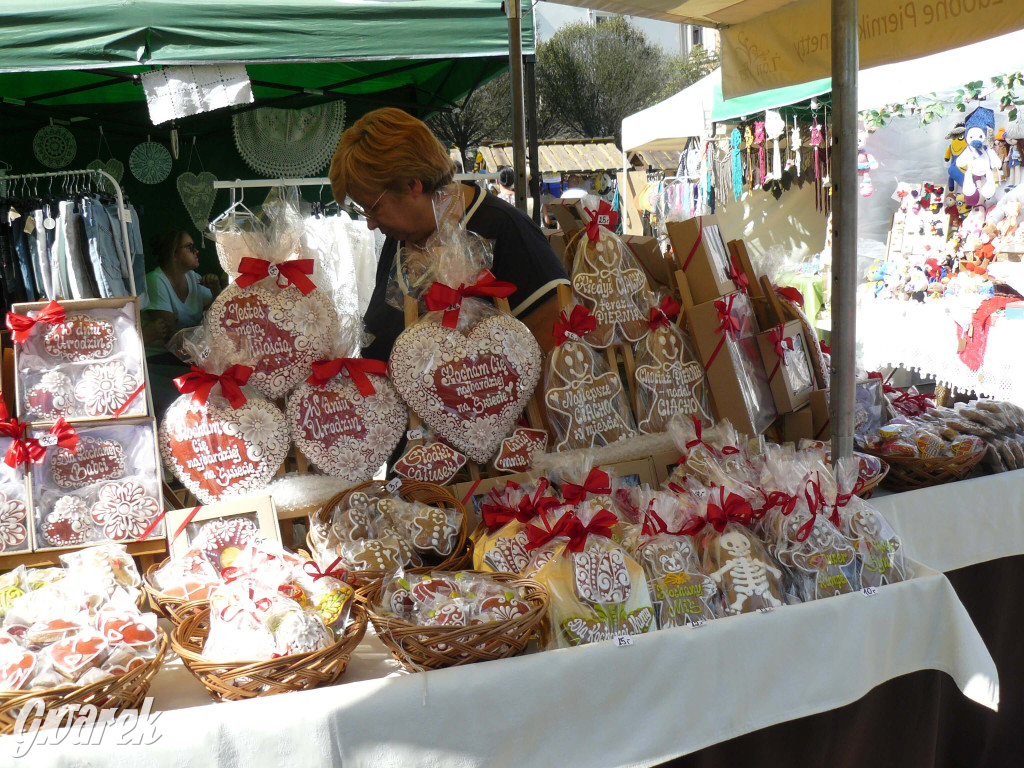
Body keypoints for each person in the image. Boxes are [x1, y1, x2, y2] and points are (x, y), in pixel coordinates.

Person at [328, 108, 569, 362]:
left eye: (374, 207)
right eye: (363, 211)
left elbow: (556, 361)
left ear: (412, 184)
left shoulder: (505, 229)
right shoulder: (400, 239)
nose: (370, 224)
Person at [143, 228, 221, 417]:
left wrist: (216, 291)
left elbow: (216, 316)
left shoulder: (193, 278)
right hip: (159, 360)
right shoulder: (156, 281)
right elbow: (172, 338)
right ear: (174, 253)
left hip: (186, 355)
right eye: (190, 247)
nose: (197, 252)